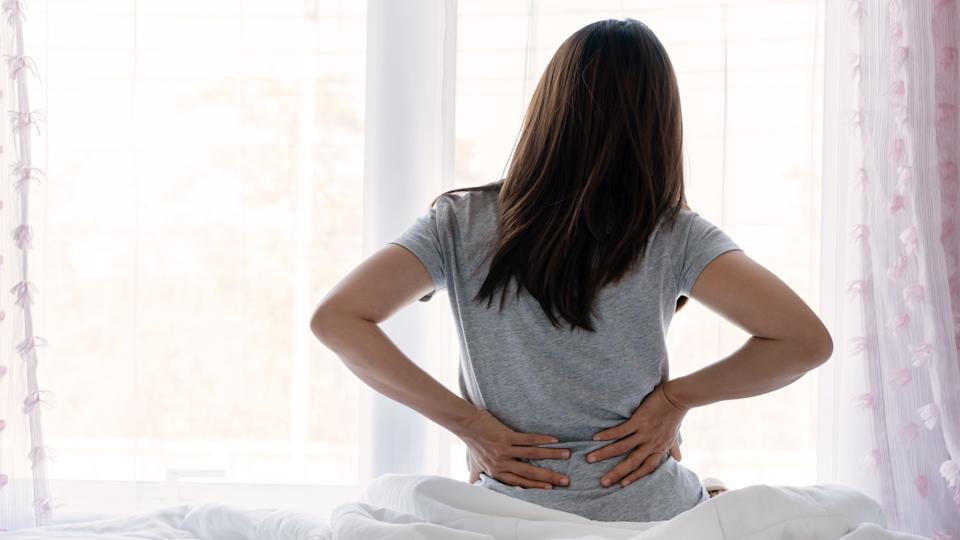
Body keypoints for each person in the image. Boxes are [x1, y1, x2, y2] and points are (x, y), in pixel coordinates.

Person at [310, 17, 832, 523]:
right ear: (659, 124)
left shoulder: (460, 221)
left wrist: (470, 426)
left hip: (504, 506)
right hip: (644, 509)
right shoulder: (674, 233)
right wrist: (676, 399)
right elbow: (805, 341)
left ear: (550, 107)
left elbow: (337, 318)